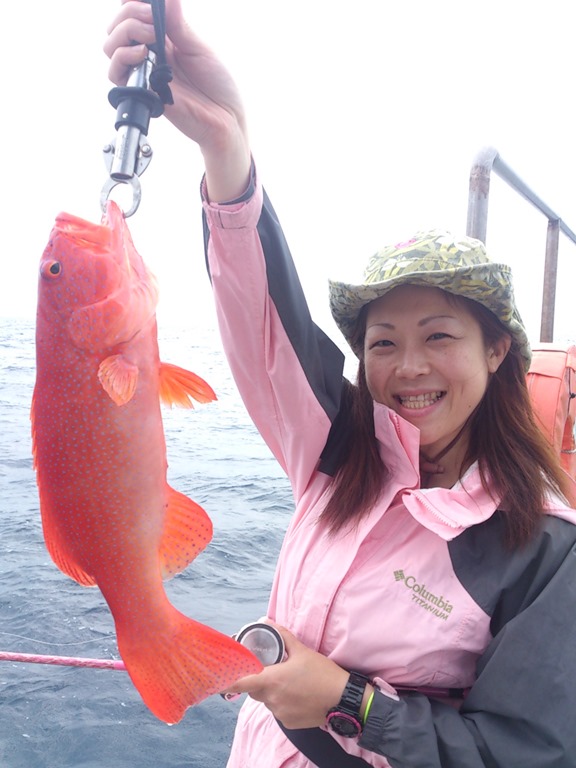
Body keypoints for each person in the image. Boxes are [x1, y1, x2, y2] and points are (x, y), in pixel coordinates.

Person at [105, 3, 576, 766]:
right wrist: (226, 143)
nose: (410, 366)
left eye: (440, 336)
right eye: (383, 342)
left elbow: (524, 753)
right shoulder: (337, 448)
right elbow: (265, 325)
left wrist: (351, 703)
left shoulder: (545, 550)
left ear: (497, 350)